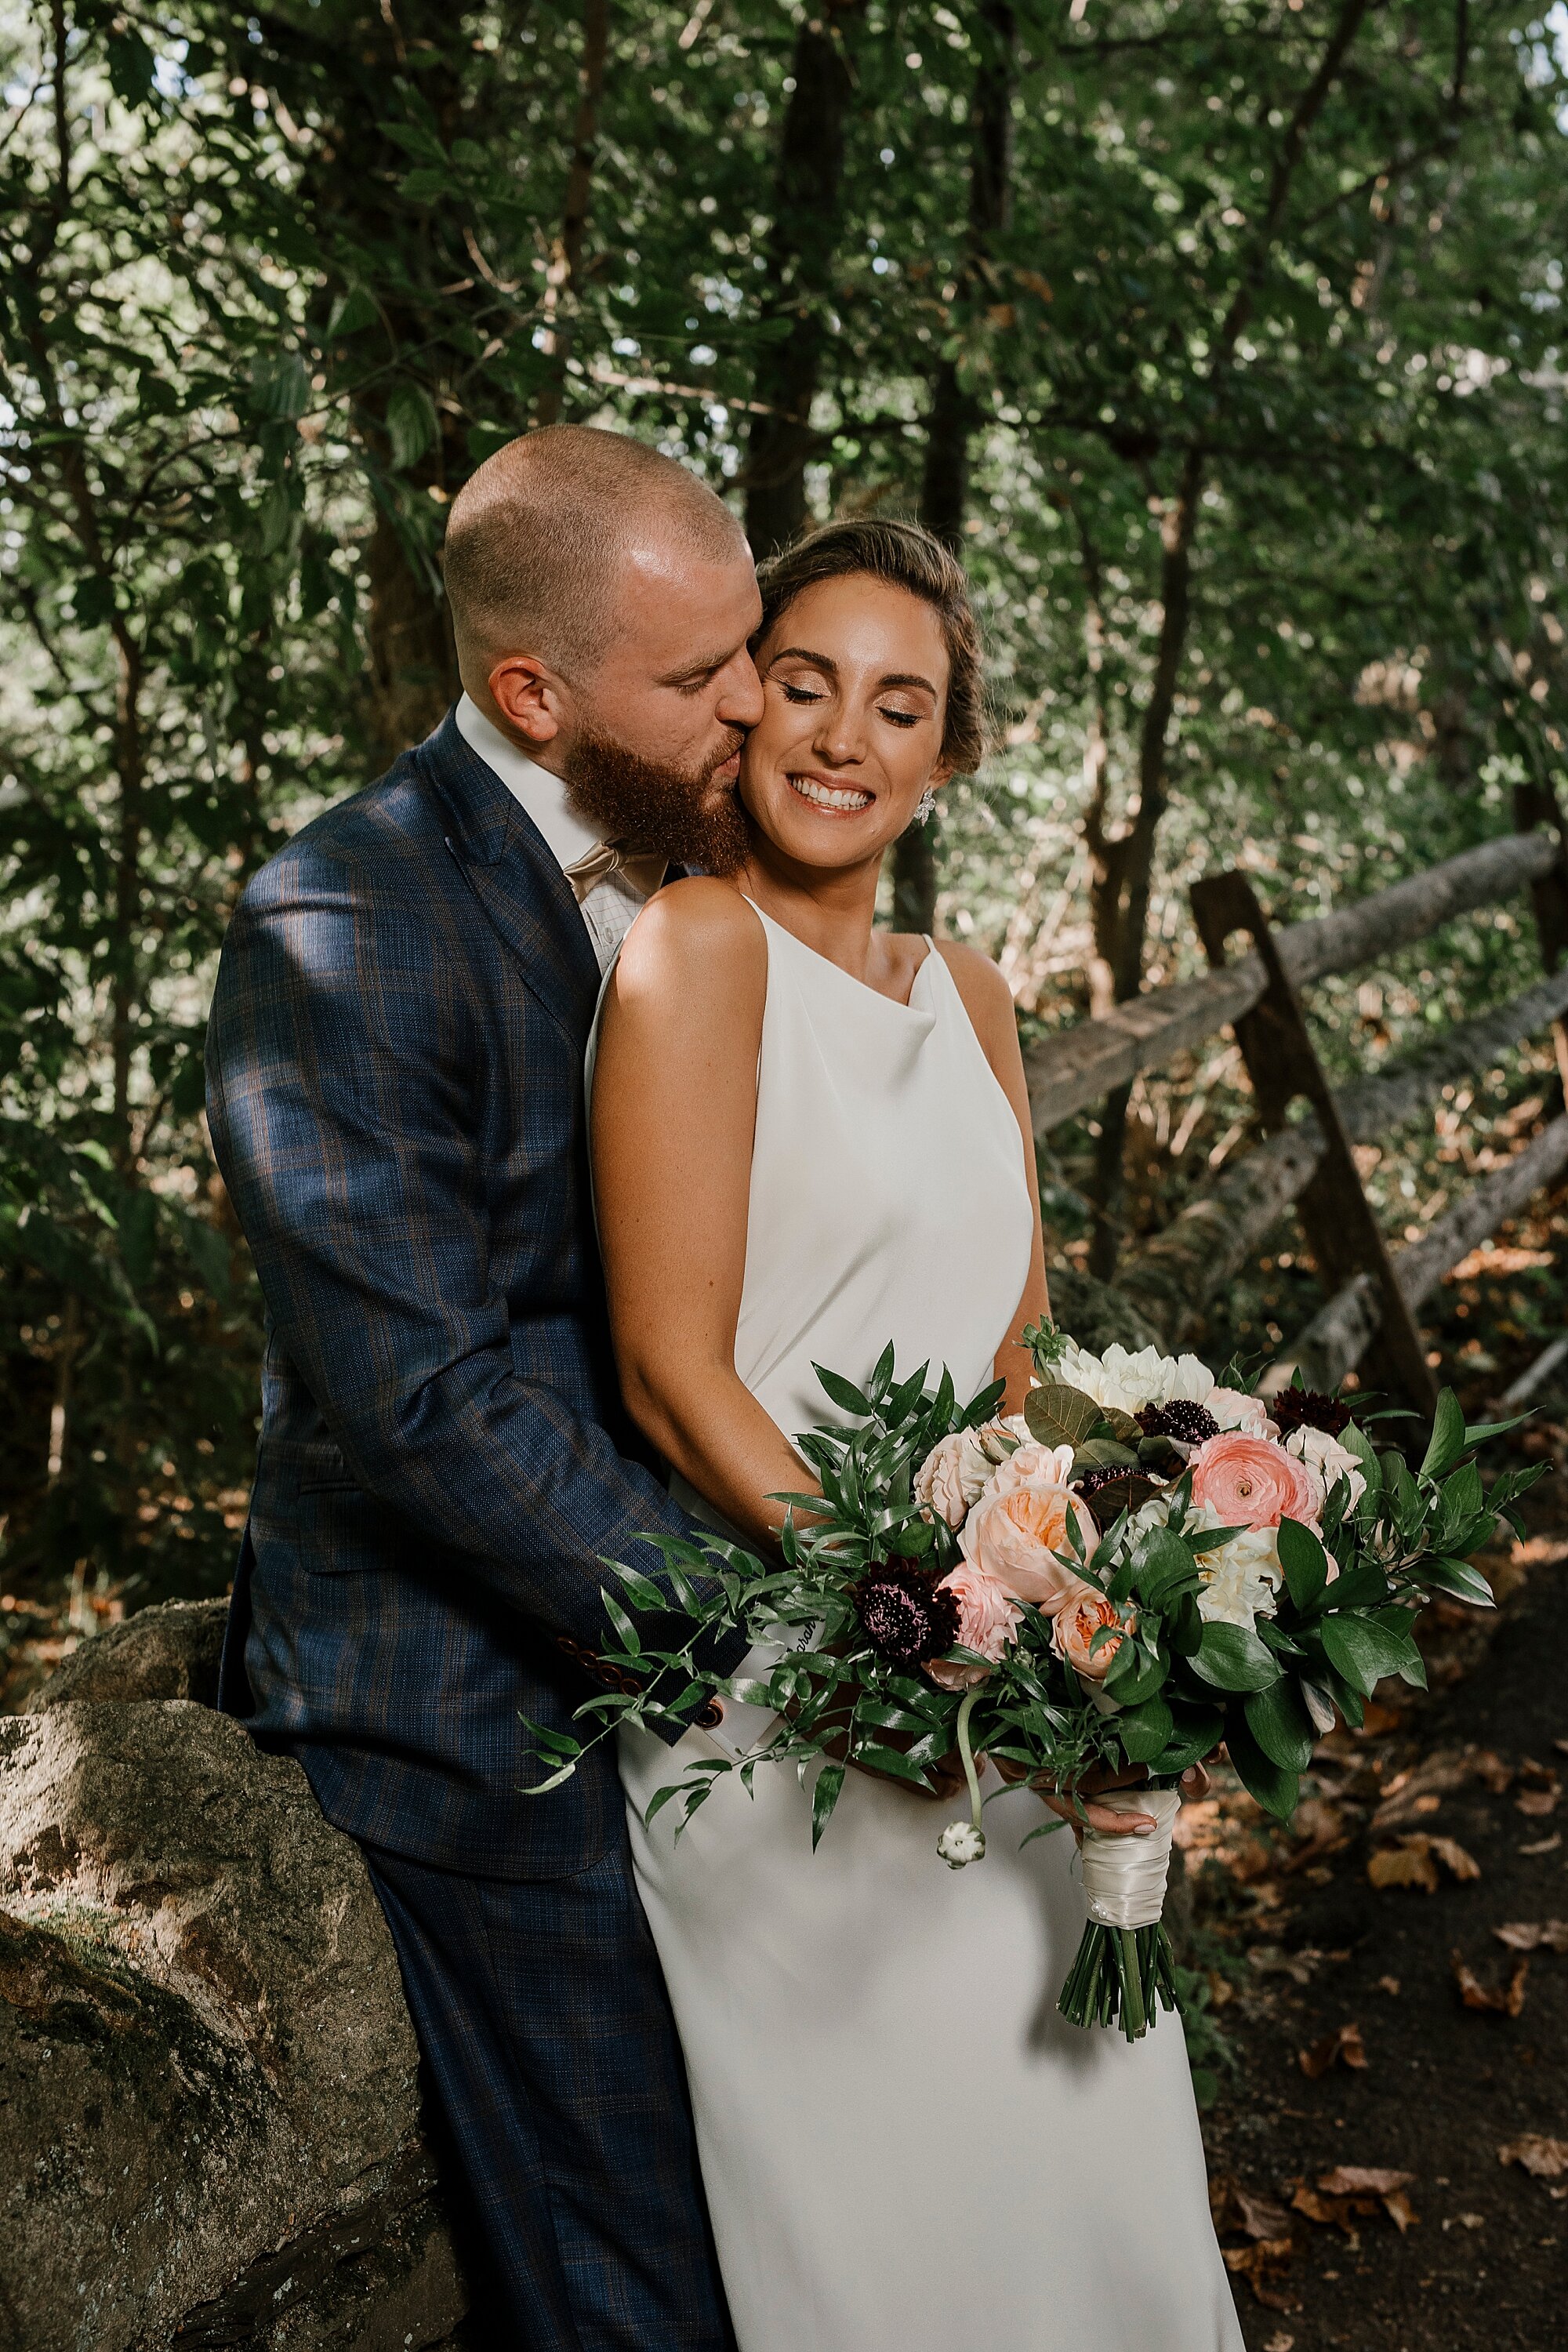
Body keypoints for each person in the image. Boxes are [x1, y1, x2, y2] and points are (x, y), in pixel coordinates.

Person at [589, 517, 1246, 2352]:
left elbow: (1014, 1352)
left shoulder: (969, 995)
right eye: (803, 686)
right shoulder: (693, 952)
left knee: (1097, 2149)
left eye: (900, 705)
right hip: (801, 1680)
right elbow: (667, 1368)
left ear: (949, 753)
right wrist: (907, 1615)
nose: (840, 737)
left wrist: (1095, 1623)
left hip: (999, 1674)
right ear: (743, 707)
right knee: (908, 2237)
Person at [204, 425, 768, 2348]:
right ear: (532, 693)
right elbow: (425, 1405)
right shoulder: (344, 917)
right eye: (700, 678)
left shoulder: (711, 864)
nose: (753, 709)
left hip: (707, 1661)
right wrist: (775, 1631)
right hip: (470, 1716)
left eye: (751, 651)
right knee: (644, 2285)